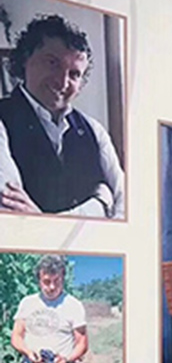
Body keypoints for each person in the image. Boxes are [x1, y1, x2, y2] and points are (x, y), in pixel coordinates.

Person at [0, 14, 124, 218]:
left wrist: (42, 220)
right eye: (52, 63)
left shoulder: (95, 130)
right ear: (25, 60)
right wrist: (100, 203)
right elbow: (12, 213)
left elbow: (125, 207)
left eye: (74, 74)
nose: (62, 81)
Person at [5, 254, 88, 363]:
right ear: (39, 280)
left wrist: (66, 360)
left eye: (57, 281)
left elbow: (82, 344)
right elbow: (16, 336)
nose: (52, 287)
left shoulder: (74, 306)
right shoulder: (27, 303)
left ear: (63, 279)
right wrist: (28, 353)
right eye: (46, 282)